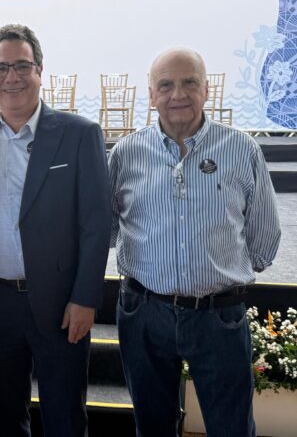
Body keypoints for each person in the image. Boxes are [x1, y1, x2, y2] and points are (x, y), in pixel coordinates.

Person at [109, 47, 281, 436]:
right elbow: (107, 228)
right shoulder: (125, 153)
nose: (178, 94)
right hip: (144, 314)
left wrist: (222, 274)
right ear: (150, 94)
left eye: (189, 83)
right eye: (165, 85)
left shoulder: (241, 149)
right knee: (152, 427)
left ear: (207, 89)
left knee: (231, 427)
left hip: (219, 315)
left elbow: (264, 235)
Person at [0, 24, 111, 436]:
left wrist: (85, 299)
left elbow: (97, 225)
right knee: (6, 419)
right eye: (1, 68)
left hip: (61, 305)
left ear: (40, 70)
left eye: (22, 66)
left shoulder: (79, 135)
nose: (11, 77)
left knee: (65, 418)